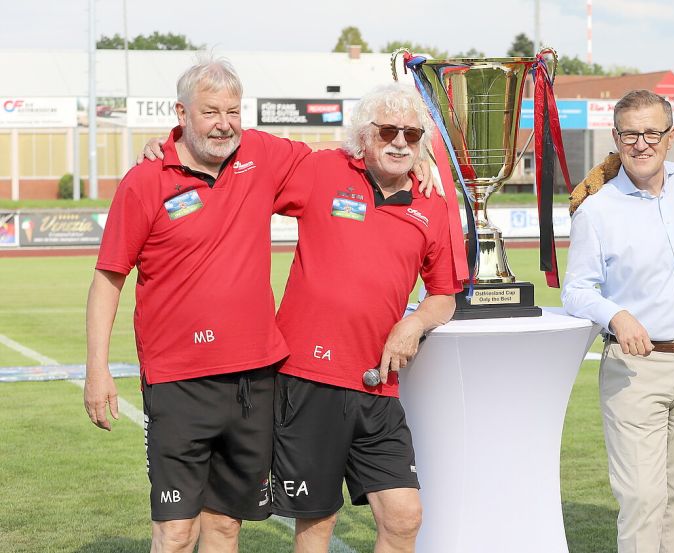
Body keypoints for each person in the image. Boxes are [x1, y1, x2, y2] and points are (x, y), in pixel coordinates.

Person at [83, 57, 312, 552]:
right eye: (210, 112)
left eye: (233, 111)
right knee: (175, 531)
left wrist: (410, 153)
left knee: (226, 526)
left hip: (255, 377)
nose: (224, 123)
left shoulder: (261, 156)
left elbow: (336, 167)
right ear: (181, 113)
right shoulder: (144, 182)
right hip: (178, 382)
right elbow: (108, 279)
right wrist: (97, 369)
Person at [269, 83, 461, 553]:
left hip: (378, 385)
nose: (400, 142)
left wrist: (413, 323)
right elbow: (242, 163)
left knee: (404, 517)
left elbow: (444, 295)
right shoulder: (322, 170)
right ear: (364, 135)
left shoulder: (433, 200)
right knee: (316, 523)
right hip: (309, 378)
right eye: (389, 131)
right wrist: (170, 143)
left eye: (412, 135)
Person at [561, 89, 674, 553]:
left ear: (671, 136)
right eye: (631, 134)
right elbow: (575, 290)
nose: (642, 144)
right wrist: (616, 314)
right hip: (637, 368)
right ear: (616, 138)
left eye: (652, 132)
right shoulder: (596, 210)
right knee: (641, 497)